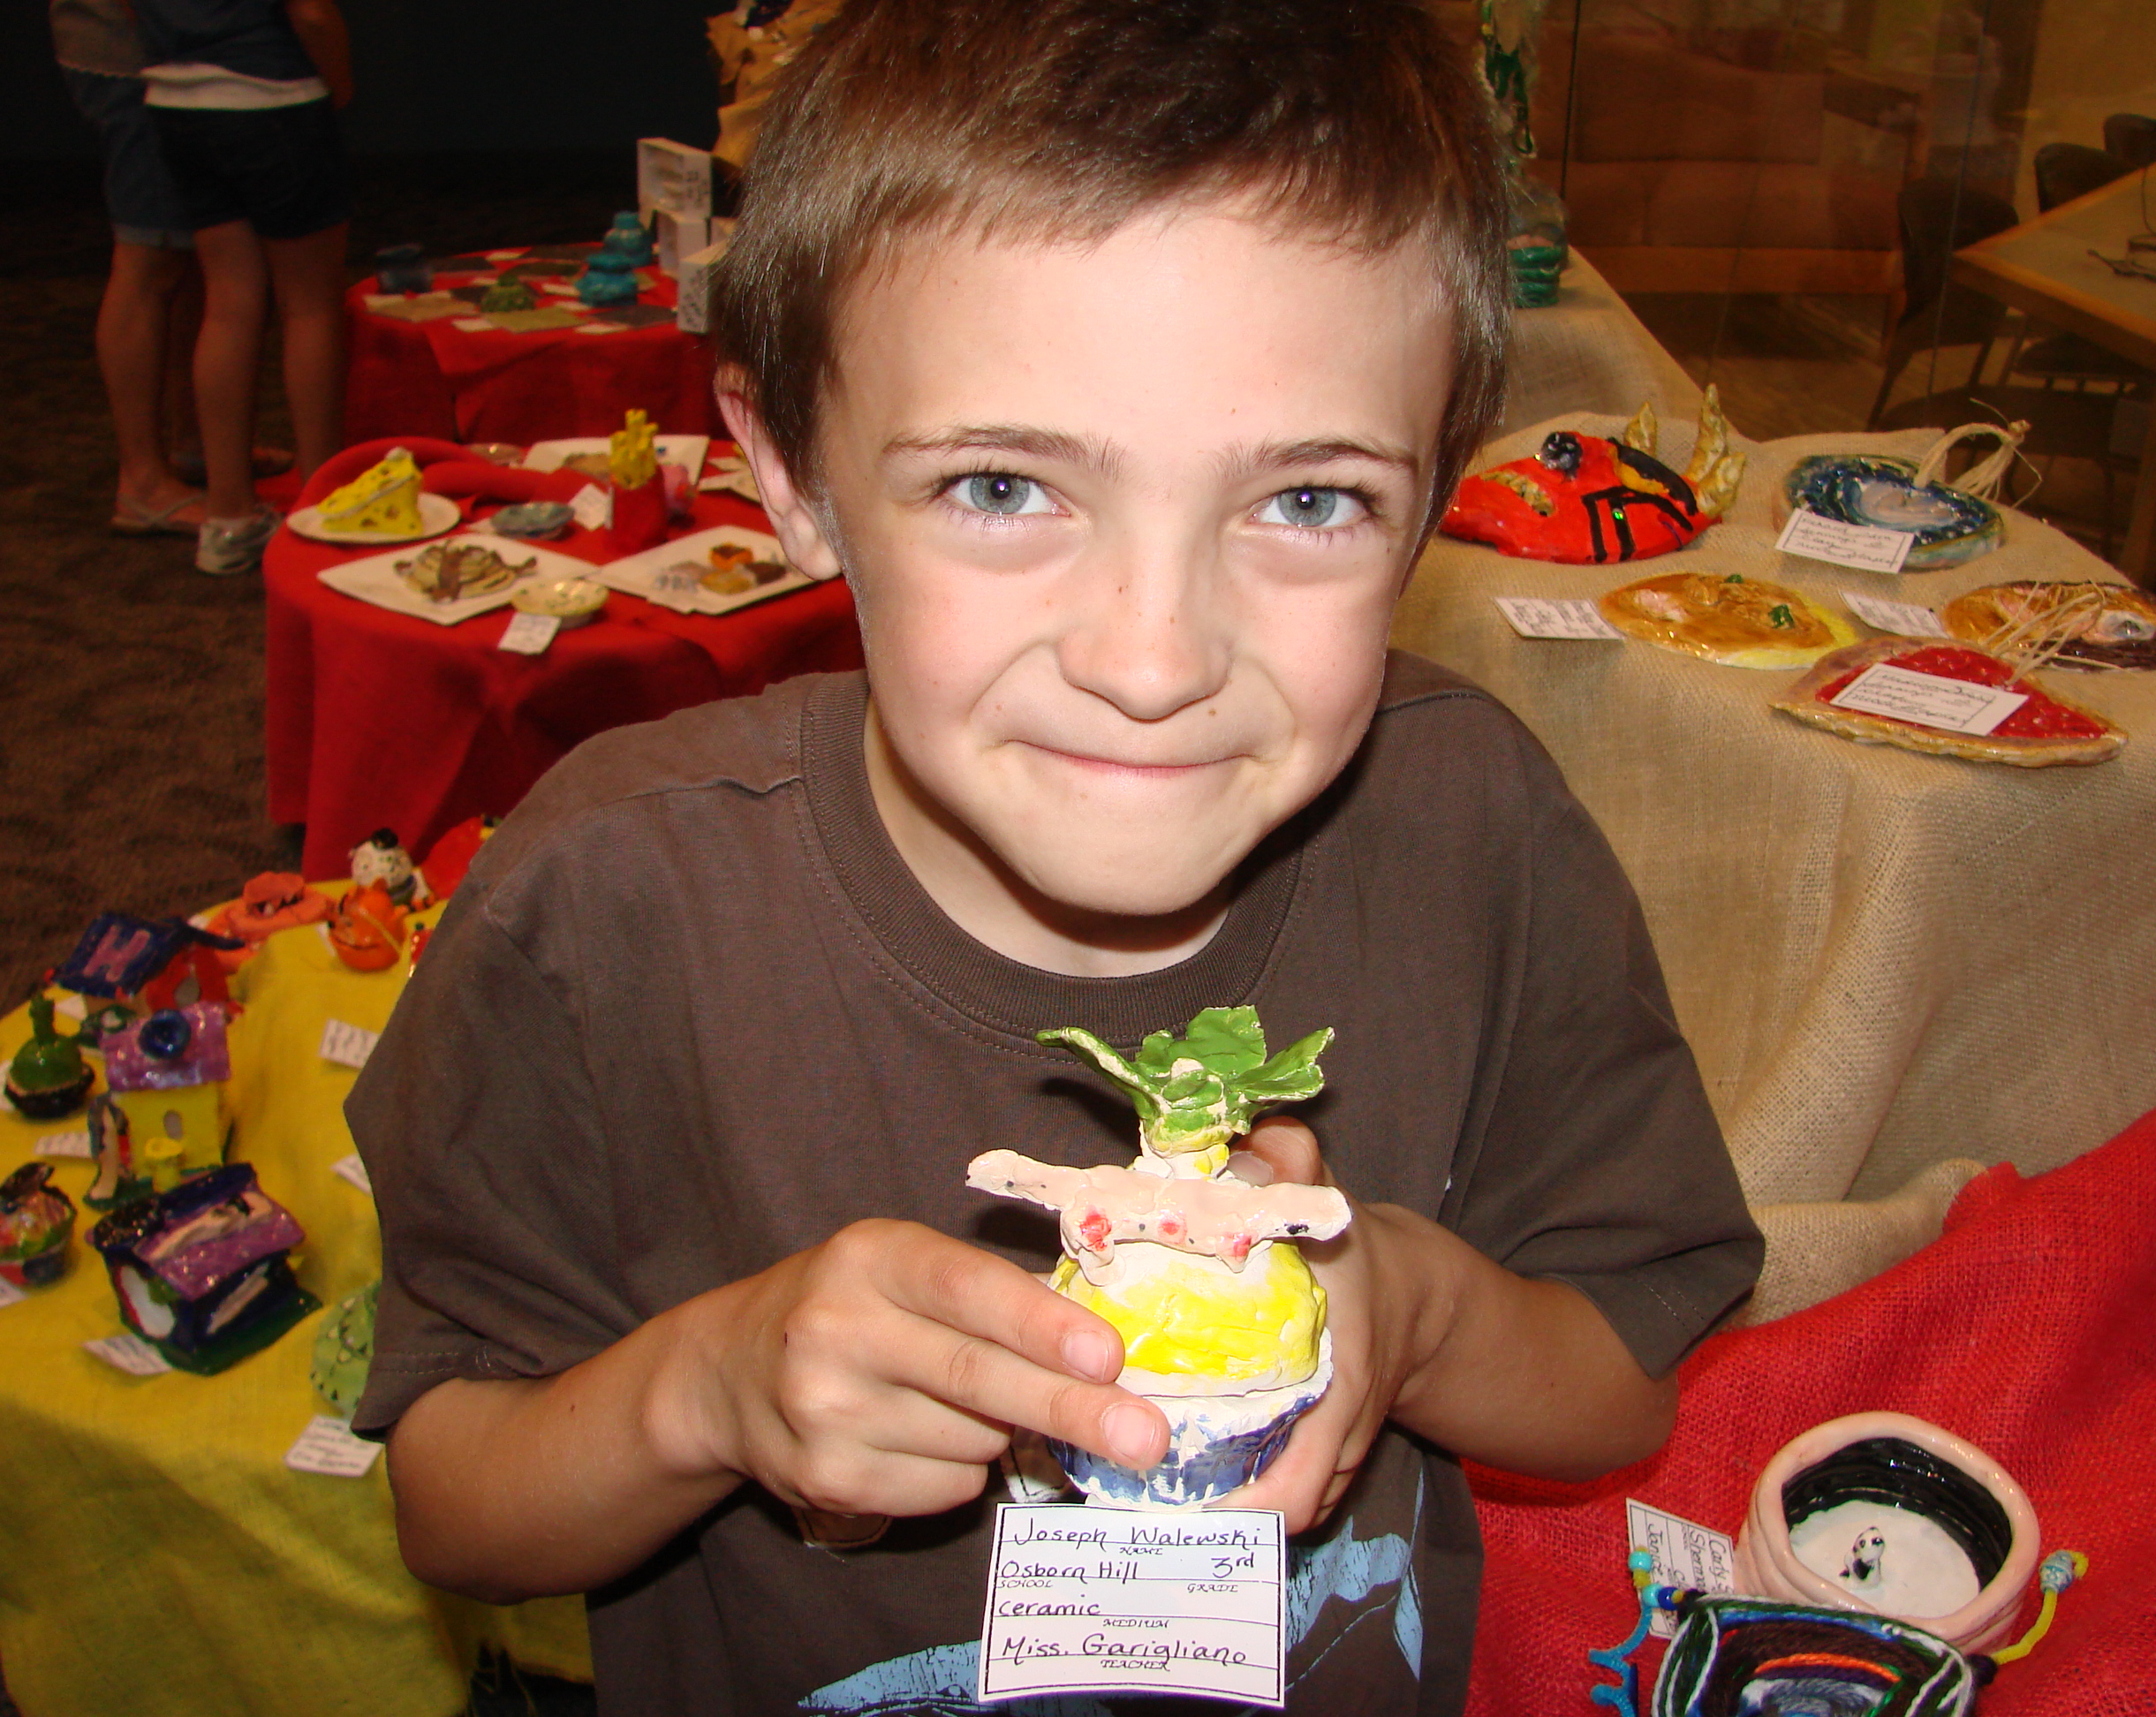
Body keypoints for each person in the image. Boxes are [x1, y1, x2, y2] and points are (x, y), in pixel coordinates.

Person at [349, 3, 1764, 1712]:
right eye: (1004, 488)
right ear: (791, 474)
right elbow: (456, 1503)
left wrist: (1414, 1307)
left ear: (1430, 496)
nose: (1153, 656)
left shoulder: (1483, 831)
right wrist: (707, 1388)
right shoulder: (603, 904)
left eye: (1307, 501)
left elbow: (1622, 1382)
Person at [135, 0, 354, 575]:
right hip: (273, 94)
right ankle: (322, 512)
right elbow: (311, 14)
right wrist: (340, 83)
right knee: (310, 307)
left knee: (228, 304)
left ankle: (229, 520)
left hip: (175, 99)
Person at [51, 0, 207, 538]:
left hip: (168, 56)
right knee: (150, 258)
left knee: (191, 253)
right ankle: (142, 482)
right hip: (134, 61)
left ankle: (193, 441)